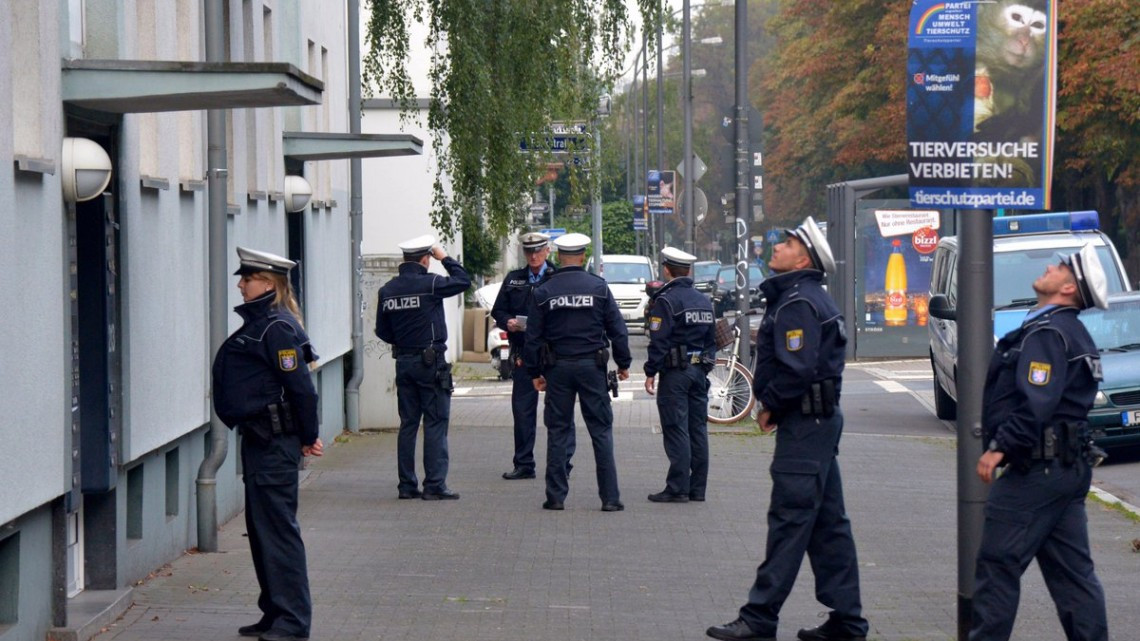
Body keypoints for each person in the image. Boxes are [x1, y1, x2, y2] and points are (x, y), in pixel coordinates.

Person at [708, 216, 868, 641]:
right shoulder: (804, 297)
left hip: (805, 423)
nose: (778, 245)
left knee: (789, 519)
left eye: (788, 242)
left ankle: (759, 618)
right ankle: (848, 622)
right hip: (816, 423)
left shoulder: (799, 302)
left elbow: (798, 370)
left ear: (803, 258)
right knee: (828, 524)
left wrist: (771, 406)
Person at [970, 244, 1109, 641]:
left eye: (1060, 266)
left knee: (997, 565)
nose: (1050, 267)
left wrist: (1001, 446)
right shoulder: (1066, 331)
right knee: (1073, 578)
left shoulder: (1049, 334)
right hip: (1064, 470)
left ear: (1068, 288)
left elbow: (1037, 402)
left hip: (1037, 470)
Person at [212, 247, 323, 641]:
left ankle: (292, 622)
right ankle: (275, 612)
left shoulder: (276, 328)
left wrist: (309, 436)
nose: (241, 284)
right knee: (261, 532)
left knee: (278, 533)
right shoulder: (264, 325)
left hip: (275, 443)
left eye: (247, 278)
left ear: (268, 283)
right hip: (260, 441)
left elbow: (302, 391)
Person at [524, 233, 632, 512]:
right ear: (583, 257)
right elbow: (617, 330)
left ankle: (556, 497)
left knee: (558, 431)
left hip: (557, 369)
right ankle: (610, 498)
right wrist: (623, 363)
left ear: (558, 257)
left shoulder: (544, 291)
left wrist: (535, 371)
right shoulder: (598, 288)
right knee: (601, 431)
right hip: (592, 368)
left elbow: (533, 337)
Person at [375, 234, 471, 500]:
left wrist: (406, 343)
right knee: (435, 422)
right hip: (430, 364)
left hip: (403, 363)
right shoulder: (430, 284)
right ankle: (435, 485)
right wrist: (446, 258)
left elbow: (382, 331)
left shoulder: (388, 290)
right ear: (426, 259)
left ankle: (406, 486)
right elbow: (463, 281)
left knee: (408, 424)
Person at [490, 232, 575, 480]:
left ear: (548, 251)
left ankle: (563, 463)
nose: (534, 256)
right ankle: (524, 463)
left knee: (560, 410)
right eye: (529, 252)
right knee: (523, 410)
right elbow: (498, 310)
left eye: (538, 250)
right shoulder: (514, 279)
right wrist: (509, 321)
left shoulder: (558, 278)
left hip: (554, 354)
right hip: (524, 353)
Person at [643, 247, 717, 503]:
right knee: (698, 429)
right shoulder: (703, 300)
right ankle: (698, 489)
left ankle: (677, 488)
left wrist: (650, 371)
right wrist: (704, 367)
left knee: (676, 428)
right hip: (699, 372)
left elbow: (659, 341)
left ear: (666, 269)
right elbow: (712, 340)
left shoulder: (667, 301)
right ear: (688, 270)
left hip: (675, 374)